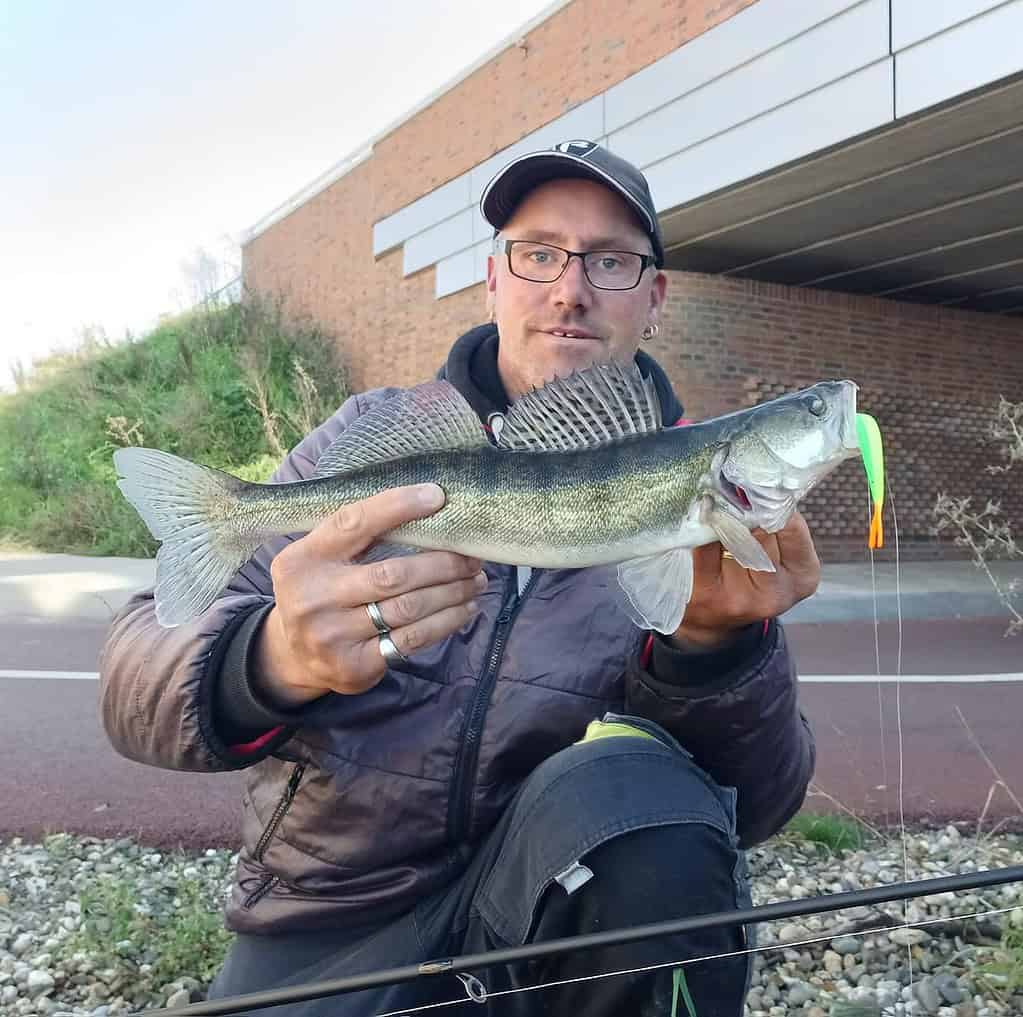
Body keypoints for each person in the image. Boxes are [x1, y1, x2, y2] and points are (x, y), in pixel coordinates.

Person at [100, 140, 819, 1016]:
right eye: (539, 252)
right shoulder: (374, 434)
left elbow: (757, 804)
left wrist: (714, 652)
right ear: (492, 279)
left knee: (651, 801)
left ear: (655, 296)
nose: (570, 288)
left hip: (550, 920)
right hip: (330, 919)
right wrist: (266, 658)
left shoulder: (714, 521)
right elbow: (136, 673)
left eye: (612, 260)